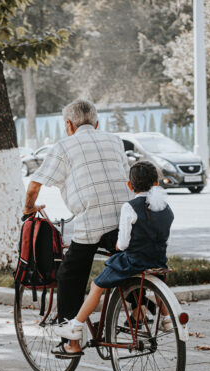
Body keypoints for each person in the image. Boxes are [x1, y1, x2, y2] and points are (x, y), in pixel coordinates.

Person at [23, 99, 132, 348]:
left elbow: (35, 184)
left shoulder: (63, 146)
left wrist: (28, 208)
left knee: (69, 275)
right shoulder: (115, 141)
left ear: (68, 125)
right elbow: (127, 179)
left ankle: (69, 341)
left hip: (92, 223)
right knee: (126, 260)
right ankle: (137, 309)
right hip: (127, 220)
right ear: (97, 123)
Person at [55, 161, 174, 357]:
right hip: (158, 260)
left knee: (97, 285)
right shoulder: (165, 207)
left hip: (133, 261)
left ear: (130, 185)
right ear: (156, 183)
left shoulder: (130, 207)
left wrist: (117, 247)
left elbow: (123, 244)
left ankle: (75, 326)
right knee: (158, 280)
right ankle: (167, 319)